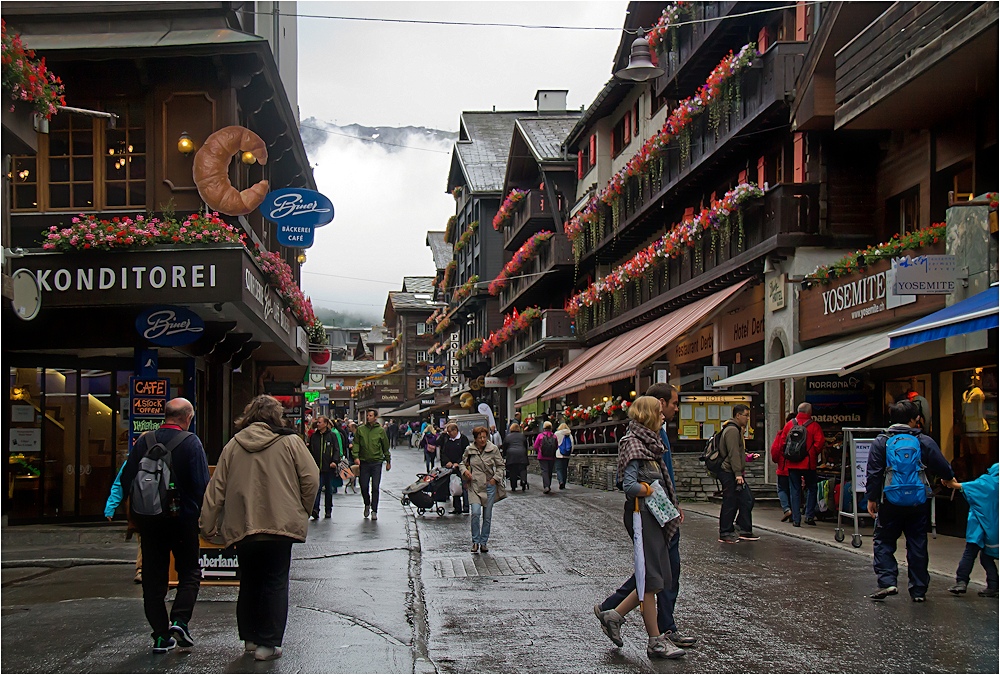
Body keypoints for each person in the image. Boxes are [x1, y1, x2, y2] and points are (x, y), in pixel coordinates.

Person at [200, 395, 319, 661]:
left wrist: (207, 525)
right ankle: (269, 642)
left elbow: (216, 488)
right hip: (281, 526)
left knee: (250, 581)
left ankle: (250, 638)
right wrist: (303, 509)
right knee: (275, 581)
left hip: (243, 526)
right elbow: (311, 478)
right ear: (276, 416)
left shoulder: (233, 445)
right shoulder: (291, 442)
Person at [597, 383, 696, 649]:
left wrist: (671, 502)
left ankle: (615, 613)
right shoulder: (634, 443)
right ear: (652, 412)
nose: (666, 414)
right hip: (644, 515)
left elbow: (665, 477)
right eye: (662, 410)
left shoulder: (653, 441)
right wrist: (649, 489)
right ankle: (655, 636)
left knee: (656, 574)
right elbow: (627, 484)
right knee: (654, 575)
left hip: (659, 512)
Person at [117, 398, 209, 654]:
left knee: (152, 578)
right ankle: (180, 620)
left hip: (150, 521)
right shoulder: (191, 443)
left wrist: (137, 511)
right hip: (182, 520)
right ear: (188, 418)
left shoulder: (144, 441)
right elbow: (202, 484)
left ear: (165, 416)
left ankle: (160, 635)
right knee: (189, 572)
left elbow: (127, 478)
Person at [866, 400, 955, 602]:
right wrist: (948, 477)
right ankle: (918, 590)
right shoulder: (924, 440)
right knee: (917, 542)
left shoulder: (882, 441)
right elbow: (942, 465)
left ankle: (888, 581)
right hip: (918, 501)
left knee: (884, 540)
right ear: (914, 420)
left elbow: (874, 472)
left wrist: (871, 498)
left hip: (890, 500)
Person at [943, 464, 998, 597]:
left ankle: (961, 581)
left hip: (978, 527)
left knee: (970, 553)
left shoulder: (986, 482)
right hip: (995, 528)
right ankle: (993, 585)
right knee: (986, 557)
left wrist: (950, 481)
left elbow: (962, 487)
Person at [771, 403, 825, 527]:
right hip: (808, 463)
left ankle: (796, 519)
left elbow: (783, 442)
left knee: (794, 490)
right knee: (812, 487)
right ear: (810, 412)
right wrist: (812, 453)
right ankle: (809, 515)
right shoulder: (814, 426)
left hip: (792, 463)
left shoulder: (789, 425)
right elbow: (819, 442)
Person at [462, 426, 505, 553]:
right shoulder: (470, 450)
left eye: (484, 437)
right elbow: (462, 463)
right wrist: (465, 471)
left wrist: (495, 479)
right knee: (475, 513)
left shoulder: (493, 449)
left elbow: (501, 466)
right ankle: (475, 541)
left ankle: (483, 542)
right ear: (475, 438)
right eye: (480, 437)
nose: (482, 439)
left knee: (487, 516)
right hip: (475, 485)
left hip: (489, 486)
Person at [718, 404, 756, 544]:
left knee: (746, 499)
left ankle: (742, 528)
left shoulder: (737, 429)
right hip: (729, 471)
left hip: (733, 471)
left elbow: (738, 453)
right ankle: (726, 531)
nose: (747, 418)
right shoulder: (732, 430)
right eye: (745, 415)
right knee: (731, 501)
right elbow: (733, 453)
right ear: (738, 415)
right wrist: (737, 474)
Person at [105, 459, 143, 584]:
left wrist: (111, 507)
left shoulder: (134, 459)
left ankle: (141, 570)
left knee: (143, 540)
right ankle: (144, 569)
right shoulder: (169, 454)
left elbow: (119, 484)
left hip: (140, 507)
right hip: (161, 507)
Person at [352, 409, 391, 520]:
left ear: (375, 417)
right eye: (367, 415)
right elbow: (356, 444)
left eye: (370, 415)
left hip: (376, 462)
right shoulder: (361, 430)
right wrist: (356, 456)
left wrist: (388, 461)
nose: (368, 417)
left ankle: (374, 510)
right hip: (364, 462)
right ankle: (367, 503)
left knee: (375, 487)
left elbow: (385, 446)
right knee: (364, 486)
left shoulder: (380, 431)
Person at [309, 416, 344, 520]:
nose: (318, 424)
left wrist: (334, 461)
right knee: (317, 489)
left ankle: (328, 510)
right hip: (317, 467)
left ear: (325, 424)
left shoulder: (332, 436)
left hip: (328, 467)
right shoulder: (314, 437)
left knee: (328, 489)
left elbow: (336, 450)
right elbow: (311, 450)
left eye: (319, 422)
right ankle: (315, 509)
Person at [770, 412, 796, 522]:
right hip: (797, 468)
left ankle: (786, 509)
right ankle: (795, 513)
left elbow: (775, 450)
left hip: (783, 467)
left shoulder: (782, 434)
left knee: (781, 489)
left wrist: (777, 461)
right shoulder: (802, 433)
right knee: (794, 490)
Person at [440, 423, 471, 514]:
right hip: (451, 467)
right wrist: (447, 462)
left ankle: (466, 506)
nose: (449, 433)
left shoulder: (463, 439)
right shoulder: (446, 439)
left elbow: (466, 453)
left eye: (450, 432)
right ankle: (457, 507)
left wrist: (458, 463)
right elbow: (443, 452)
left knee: (464, 486)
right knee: (454, 486)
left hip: (461, 466)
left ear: (455, 430)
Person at [502, 423, 530, 491]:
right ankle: (523, 480)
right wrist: (525, 454)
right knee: (522, 469)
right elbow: (526, 446)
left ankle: (513, 485)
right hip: (521, 453)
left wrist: (504, 455)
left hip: (511, 455)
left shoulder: (508, 437)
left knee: (512, 471)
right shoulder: (522, 436)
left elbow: (504, 447)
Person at [533, 421, 558, 493]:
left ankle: (546, 486)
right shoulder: (554, 436)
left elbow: (535, 446)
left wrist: (539, 451)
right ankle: (548, 485)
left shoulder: (540, 436)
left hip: (542, 456)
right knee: (550, 471)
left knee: (545, 471)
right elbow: (556, 446)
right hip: (551, 456)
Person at [554, 423, 573, 490]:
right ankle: (564, 483)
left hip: (558, 454)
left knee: (559, 469)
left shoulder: (557, 433)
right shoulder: (569, 434)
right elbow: (572, 444)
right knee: (564, 469)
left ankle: (560, 481)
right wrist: (570, 452)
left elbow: (554, 443)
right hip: (566, 455)